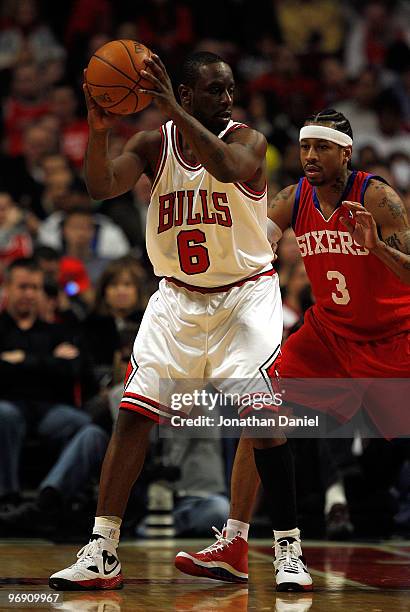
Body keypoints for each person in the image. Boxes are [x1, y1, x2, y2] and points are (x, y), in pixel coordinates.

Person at [49, 50, 310, 591]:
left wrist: (170, 107)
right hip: (177, 299)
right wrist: (98, 131)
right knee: (133, 415)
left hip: (245, 296)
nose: (228, 98)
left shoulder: (249, 141)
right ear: (188, 94)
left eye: (230, 88)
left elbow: (228, 169)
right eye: (215, 90)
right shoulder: (151, 144)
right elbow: (100, 186)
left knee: (261, 421)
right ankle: (102, 548)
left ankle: (288, 549)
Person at [176, 108, 410, 586]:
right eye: (305, 147)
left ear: (345, 152)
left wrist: (377, 249)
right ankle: (235, 542)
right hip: (327, 334)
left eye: (321, 147)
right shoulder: (293, 197)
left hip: (392, 337)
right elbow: (252, 249)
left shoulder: (378, 197)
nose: (310, 156)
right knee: (259, 408)